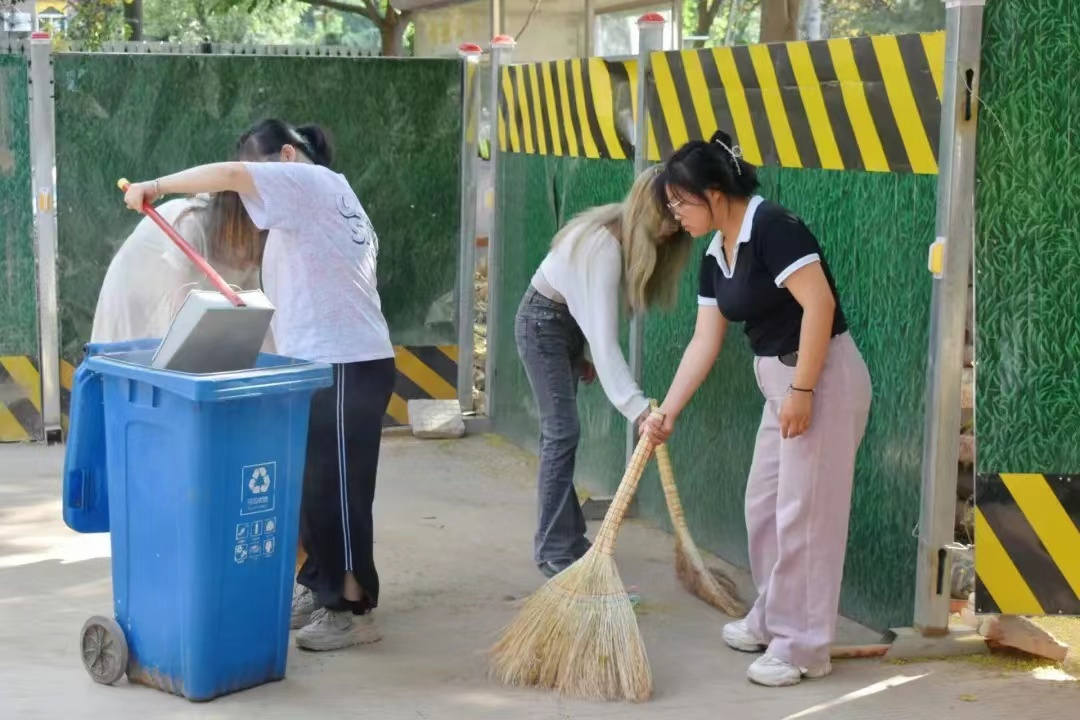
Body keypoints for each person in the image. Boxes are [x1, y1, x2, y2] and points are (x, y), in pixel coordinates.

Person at [122, 119, 396, 652]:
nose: (251, 193)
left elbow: (229, 174)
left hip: (348, 362)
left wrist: (154, 187)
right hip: (323, 360)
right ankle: (319, 585)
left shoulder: (310, 181)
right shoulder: (321, 200)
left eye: (257, 176)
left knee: (340, 490)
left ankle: (352, 608)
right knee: (313, 485)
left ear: (288, 156)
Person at [641, 130, 872, 688]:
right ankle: (774, 617)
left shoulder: (773, 227)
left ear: (715, 193)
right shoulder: (715, 254)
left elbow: (819, 305)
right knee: (764, 506)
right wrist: (666, 412)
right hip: (779, 384)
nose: (675, 215)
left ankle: (803, 647)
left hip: (820, 379)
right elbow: (704, 341)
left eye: (680, 202)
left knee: (804, 514)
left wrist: (804, 392)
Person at [516, 167, 692, 579]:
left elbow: (589, 321)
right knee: (561, 433)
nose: (672, 227)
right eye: (667, 215)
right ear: (646, 209)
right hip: (542, 324)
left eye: (677, 215)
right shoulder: (603, 246)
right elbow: (605, 340)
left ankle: (568, 538)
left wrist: (581, 353)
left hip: (560, 325)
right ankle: (553, 548)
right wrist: (638, 409)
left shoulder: (615, 234)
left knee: (562, 434)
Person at [91, 192, 267, 346]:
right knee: (144, 353)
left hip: (179, 289)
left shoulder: (263, 231)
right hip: (140, 285)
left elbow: (256, 315)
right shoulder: (191, 224)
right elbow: (181, 312)